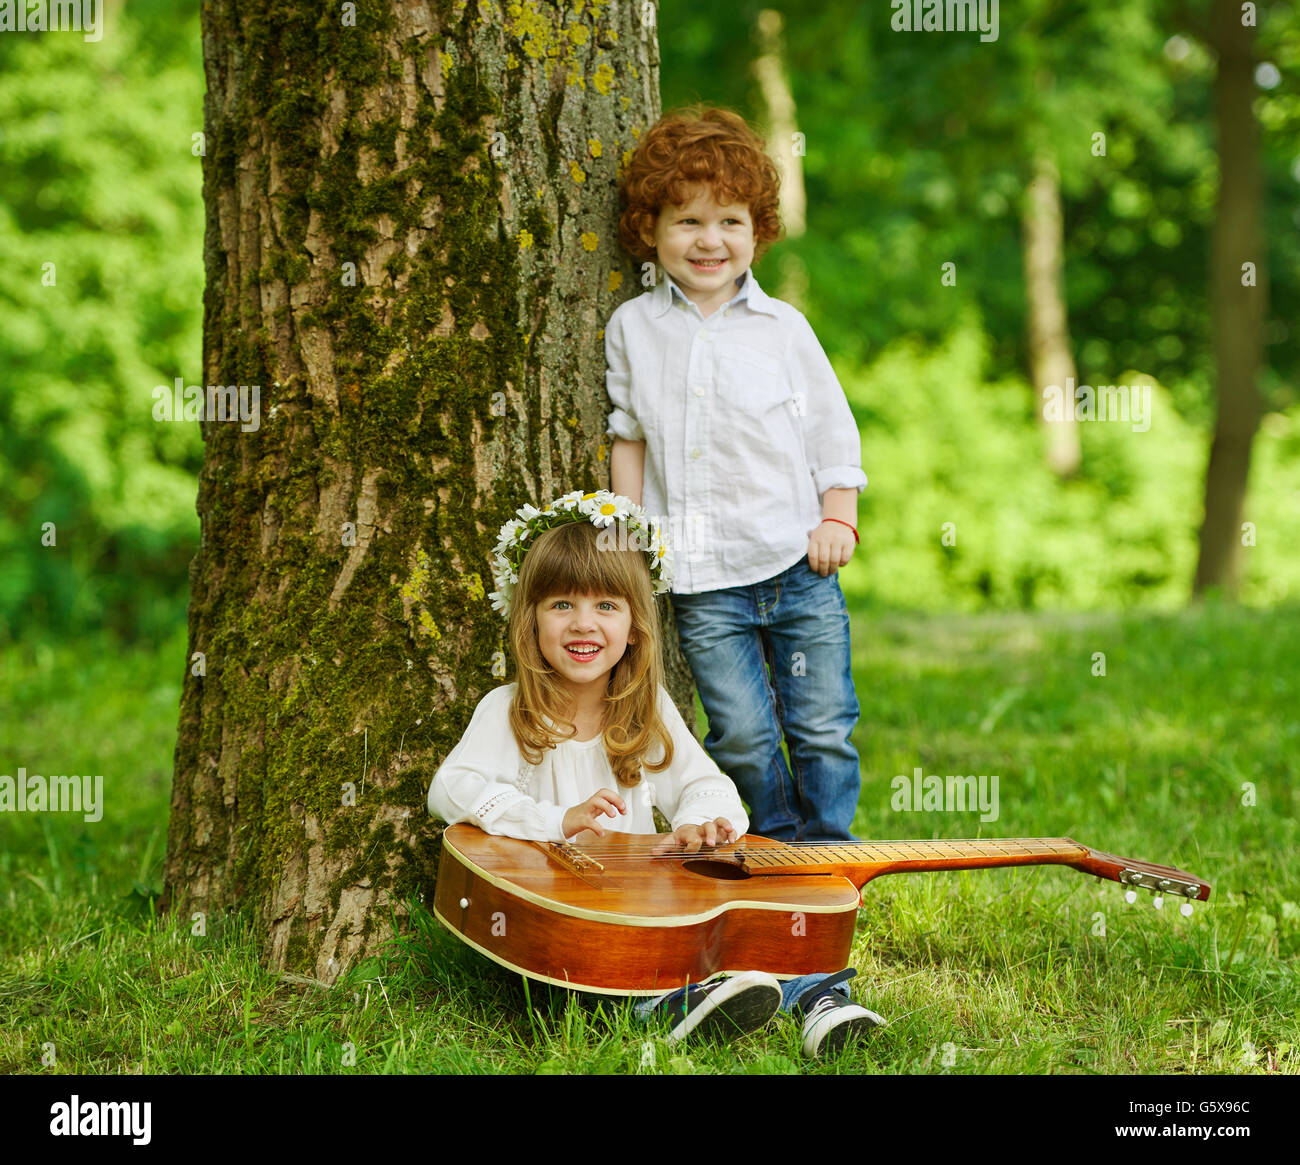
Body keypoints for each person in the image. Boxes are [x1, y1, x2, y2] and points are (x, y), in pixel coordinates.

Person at [428, 492, 882, 1056]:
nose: (583, 624)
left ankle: (819, 1004)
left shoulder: (646, 711)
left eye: (607, 606)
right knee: (604, 974)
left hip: (644, 908)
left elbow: (705, 785)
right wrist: (555, 819)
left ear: (636, 627)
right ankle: (675, 1006)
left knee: (739, 932)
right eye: (561, 604)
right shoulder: (509, 709)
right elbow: (451, 788)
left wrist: (701, 822)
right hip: (564, 925)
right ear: (530, 619)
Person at [606, 105, 868, 845]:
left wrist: (837, 516)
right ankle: (778, 843)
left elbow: (830, 429)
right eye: (687, 221)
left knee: (821, 724)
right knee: (745, 734)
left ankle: (830, 849)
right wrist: (626, 530)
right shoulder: (633, 328)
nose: (709, 240)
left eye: (729, 221)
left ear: (757, 231)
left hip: (797, 562)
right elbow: (629, 435)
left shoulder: (783, 328)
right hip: (701, 579)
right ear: (649, 230)